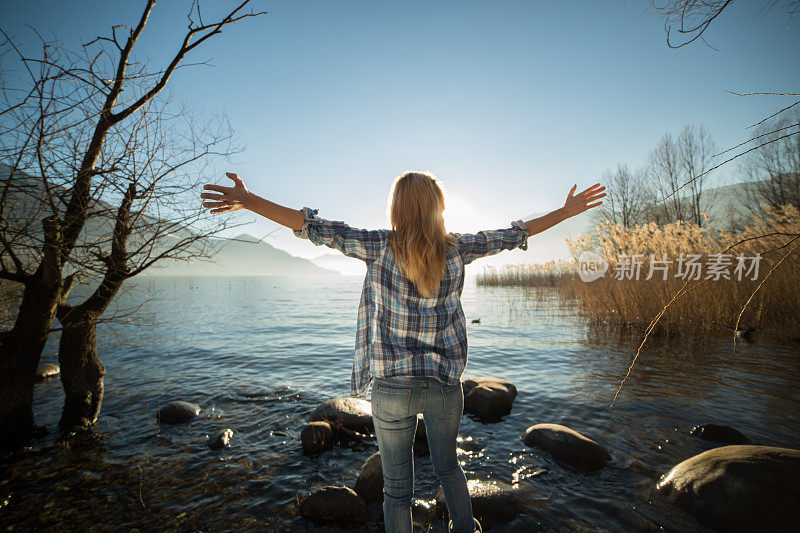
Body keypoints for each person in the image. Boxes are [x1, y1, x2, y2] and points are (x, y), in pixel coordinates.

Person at [200, 171, 605, 533]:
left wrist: (249, 200)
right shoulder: (459, 248)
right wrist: (566, 212)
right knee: (450, 468)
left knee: (396, 489)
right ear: (439, 207)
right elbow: (517, 232)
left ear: (395, 209)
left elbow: (310, 226)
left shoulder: (378, 246)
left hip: (392, 390)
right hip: (445, 387)